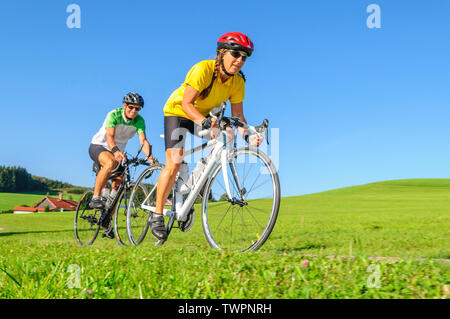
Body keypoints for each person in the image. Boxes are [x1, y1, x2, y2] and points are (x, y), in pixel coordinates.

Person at [150, 32, 263, 241]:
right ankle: (157, 214)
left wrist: (248, 135)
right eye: (235, 54)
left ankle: (194, 184)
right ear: (221, 53)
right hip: (178, 112)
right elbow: (186, 104)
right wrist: (203, 121)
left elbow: (238, 116)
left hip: (202, 116)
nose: (239, 60)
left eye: (244, 57)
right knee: (174, 162)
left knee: (228, 133)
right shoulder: (204, 69)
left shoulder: (238, 82)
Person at [88, 92, 154, 237]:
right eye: (131, 107)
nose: (134, 111)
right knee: (110, 162)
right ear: (124, 105)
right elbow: (110, 137)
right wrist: (116, 151)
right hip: (100, 146)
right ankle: (95, 197)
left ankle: (107, 220)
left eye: (137, 109)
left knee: (119, 186)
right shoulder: (114, 115)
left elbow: (143, 141)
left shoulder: (139, 121)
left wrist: (150, 158)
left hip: (118, 153)